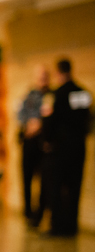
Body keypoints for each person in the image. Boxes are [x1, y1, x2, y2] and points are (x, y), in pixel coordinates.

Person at [43, 58, 91, 236]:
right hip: (78, 148)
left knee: (55, 188)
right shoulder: (82, 93)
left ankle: (57, 225)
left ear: (58, 72)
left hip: (59, 149)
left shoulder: (56, 94)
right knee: (74, 187)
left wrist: (47, 141)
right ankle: (71, 225)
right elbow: (86, 119)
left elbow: (50, 121)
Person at [17, 66, 51, 223]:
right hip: (29, 141)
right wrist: (28, 125)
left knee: (45, 179)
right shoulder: (28, 96)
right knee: (26, 177)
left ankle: (40, 212)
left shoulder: (52, 96)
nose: (42, 80)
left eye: (45, 76)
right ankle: (27, 211)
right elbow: (19, 114)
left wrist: (40, 124)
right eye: (40, 77)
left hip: (43, 142)